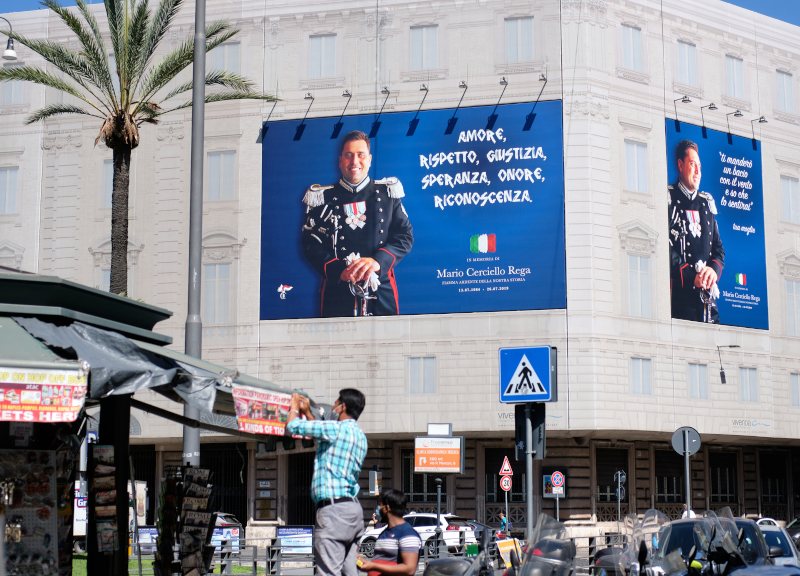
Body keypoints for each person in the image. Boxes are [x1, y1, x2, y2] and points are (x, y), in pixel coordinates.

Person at [302, 130, 414, 317]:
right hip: (336, 290)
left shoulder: (388, 194)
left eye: (360, 155)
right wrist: (339, 271)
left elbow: (404, 236)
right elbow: (310, 242)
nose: (354, 161)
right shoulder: (321, 197)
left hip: (381, 289)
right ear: (340, 161)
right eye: (348, 155)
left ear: (369, 159)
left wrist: (377, 262)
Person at [286, 389, 368, 576]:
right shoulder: (360, 437)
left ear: (342, 407)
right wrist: (307, 413)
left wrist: (293, 409)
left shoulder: (335, 429)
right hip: (352, 510)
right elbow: (322, 437)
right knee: (349, 572)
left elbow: (292, 427)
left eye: (335, 403)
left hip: (333, 511)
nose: (333, 407)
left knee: (327, 572)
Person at [668, 139, 725, 323]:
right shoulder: (667, 199)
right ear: (680, 165)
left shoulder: (707, 204)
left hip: (708, 307)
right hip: (679, 306)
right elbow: (663, 248)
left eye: (699, 166)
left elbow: (718, 250)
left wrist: (713, 271)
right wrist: (692, 278)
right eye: (693, 165)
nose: (698, 172)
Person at [357, 489, 420, 576]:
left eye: (380, 505)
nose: (377, 510)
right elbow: (381, 562)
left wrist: (373, 566)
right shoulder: (384, 533)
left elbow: (409, 569)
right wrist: (361, 561)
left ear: (387, 508)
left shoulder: (407, 534)